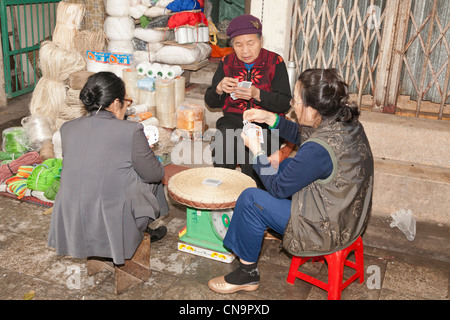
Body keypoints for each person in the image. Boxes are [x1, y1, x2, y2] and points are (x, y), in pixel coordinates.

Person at [208, 68, 374, 294]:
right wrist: (271, 118)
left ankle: (247, 274)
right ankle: (255, 227)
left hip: (325, 227)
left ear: (313, 108)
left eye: (296, 101)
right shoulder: (344, 120)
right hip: (348, 212)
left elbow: (277, 187)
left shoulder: (318, 149)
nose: (293, 106)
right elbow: (306, 135)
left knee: (250, 199)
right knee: (280, 167)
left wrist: (257, 151)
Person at [48, 71, 169, 265]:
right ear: (115, 103)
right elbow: (154, 173)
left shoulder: (67, 128)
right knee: (154, 173)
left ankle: (134, 229)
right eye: (125, 101)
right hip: (109, 214)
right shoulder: (131, 131)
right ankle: (139, 228)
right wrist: (148, 152)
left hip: (72, 214)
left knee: (116, 173)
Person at [204, 14, 291, 188]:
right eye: (238, 44)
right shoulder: (227, 62)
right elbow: (211, 102)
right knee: (223, 146)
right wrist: (219, 88)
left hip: (266, 123)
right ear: (232, 45)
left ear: (260, 40)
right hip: (233, 120)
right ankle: (223, 195)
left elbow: (284, 102)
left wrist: (258, 94)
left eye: (250, 43)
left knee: (255, 163)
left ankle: (254, 198)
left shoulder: (275, 62)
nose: (245, 50)